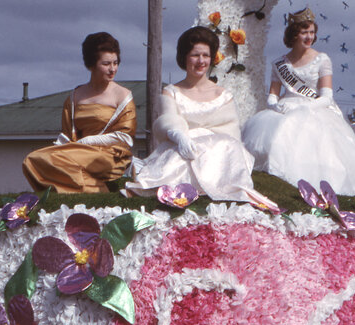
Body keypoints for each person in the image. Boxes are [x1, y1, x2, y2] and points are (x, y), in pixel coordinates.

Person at [241, 7, 355, 196]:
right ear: (294, 34)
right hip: (285, 109)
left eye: (312, 32)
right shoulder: (280, 64)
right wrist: (275, 105)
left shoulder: (322, 60)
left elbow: (326, 97)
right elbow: (273, 94)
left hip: (314, 108)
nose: (309, 37)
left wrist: (303, 108)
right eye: (304, 32)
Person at [125, 26, 277, 208]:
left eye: (205, 55)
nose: (201, 61)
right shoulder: (172, 92)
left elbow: (231, 135)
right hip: (183, 147)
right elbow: (168, 119)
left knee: (224, 145)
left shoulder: (224, 95)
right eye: (195, 55)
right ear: (184, 57)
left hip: (219, 153)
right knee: (179, 158)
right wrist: (179, 136)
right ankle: (156, 184)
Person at [22, 32, 136, 193]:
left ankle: (94, 192)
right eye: (106, 64)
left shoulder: (123, 95)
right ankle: (91, 190)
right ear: (91, 65)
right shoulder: (75, 96)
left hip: (110, 155)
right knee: (32, 160)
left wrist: (88, 141)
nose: (112, 69)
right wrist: (64, 147)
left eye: (115, 63)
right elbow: (68, 136)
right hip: (77, 152)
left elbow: (125, 137)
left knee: (59, 159)